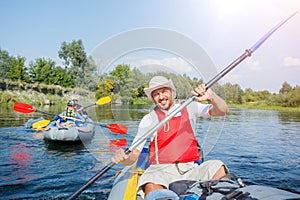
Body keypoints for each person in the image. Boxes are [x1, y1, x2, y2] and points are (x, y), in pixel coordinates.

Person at [111, 76, 230, 199]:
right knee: (151, 181)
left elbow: (223, 110)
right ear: (153, 99)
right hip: (160, 170)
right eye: (156, 94)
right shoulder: (148, 119)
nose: (161, 96)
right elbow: (133, 156)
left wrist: (212, 97)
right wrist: (123, 159)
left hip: (190, 168)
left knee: (217, 166)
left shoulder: (190, 107)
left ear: (172, 92)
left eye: (164, 91)